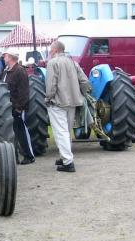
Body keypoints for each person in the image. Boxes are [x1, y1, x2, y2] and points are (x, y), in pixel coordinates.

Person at [45, 41, 89, 173]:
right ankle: (64, 157)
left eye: (50, 49)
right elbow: (84, 81)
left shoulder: (52, 63)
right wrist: (85, 93)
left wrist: (48, 98)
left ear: (55, 50)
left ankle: (68, 162)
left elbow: (51, 84)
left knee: (61, 132)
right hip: (73, 101)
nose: (49, 51)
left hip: (58, 102)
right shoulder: (73, 62)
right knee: (67, 131)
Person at [1, 48, 35, 165]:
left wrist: (19, 108)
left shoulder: (19, 71)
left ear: (10, 57)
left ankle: (29, 155)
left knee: (21, 131)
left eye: (5, 56)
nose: (3, 58)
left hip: (18, 107)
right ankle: (14, 156)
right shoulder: (7, 71)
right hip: (8, 107)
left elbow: (24, 92)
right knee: (12, 132)